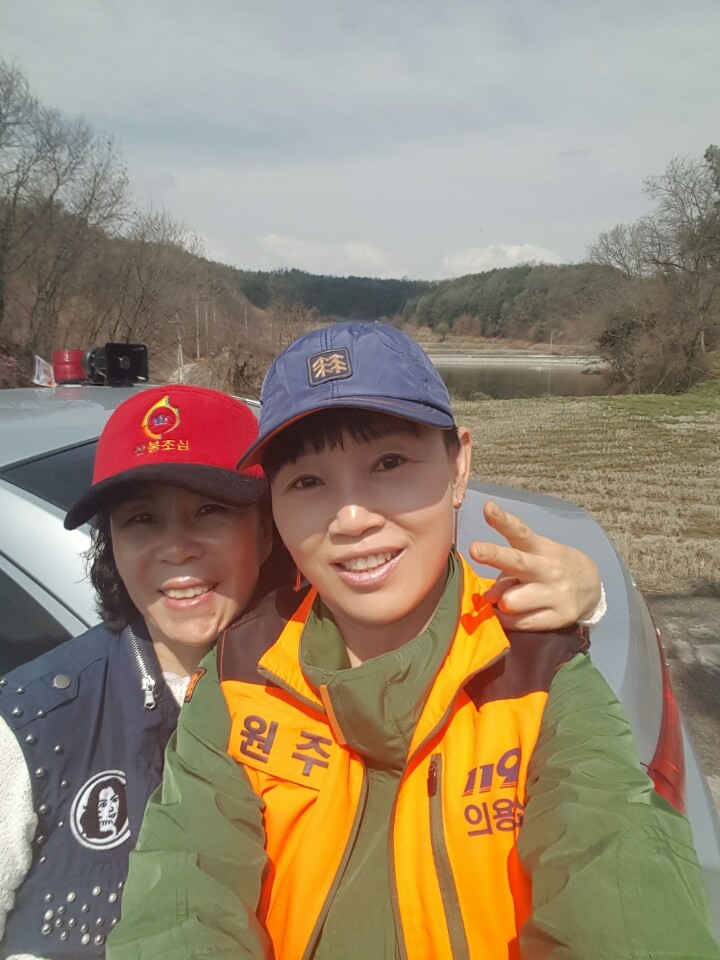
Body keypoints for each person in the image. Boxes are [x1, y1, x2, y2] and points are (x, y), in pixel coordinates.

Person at [107, 323, 719, 959]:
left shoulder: (538, 677)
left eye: (389, 463)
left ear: (459, 466)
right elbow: (182, 907)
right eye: (308, 482)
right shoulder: (240, 679)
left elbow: (617, 888)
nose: (351, 518)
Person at [0, 379, 602, 960]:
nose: (177, 548)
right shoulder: (33, 726)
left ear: (269, 530)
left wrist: (585, 598)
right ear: (110, 541)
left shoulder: (331, 672)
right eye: (141, 519)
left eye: (209, 511)